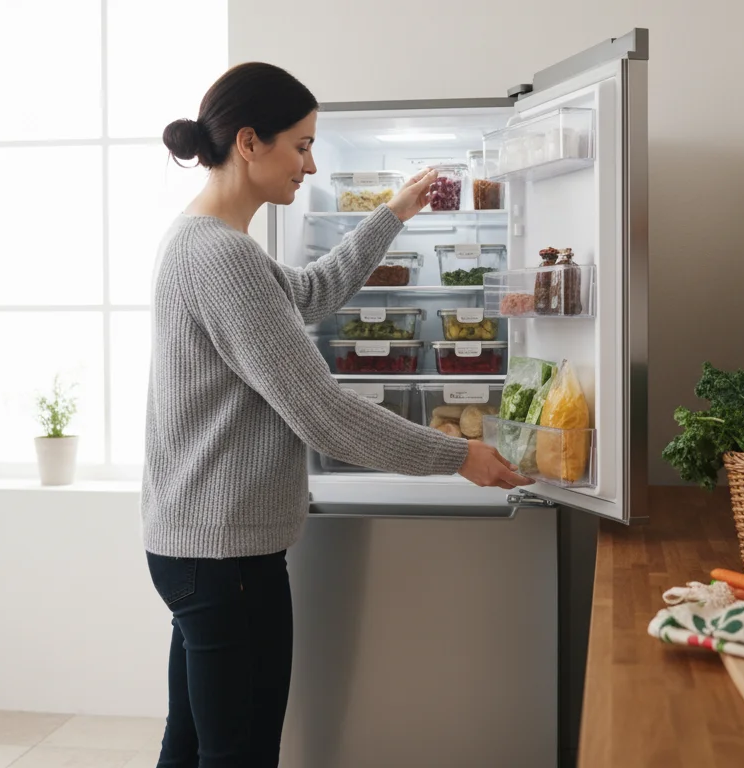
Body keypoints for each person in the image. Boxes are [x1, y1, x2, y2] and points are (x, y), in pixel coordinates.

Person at [142, 62, 530, 768]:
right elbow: (322, 413)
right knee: (240, 753)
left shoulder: (209, 243)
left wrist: (394, 213)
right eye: (301, 145)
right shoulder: (221, 257)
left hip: (200, 544)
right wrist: (459, 456)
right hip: (224, 553)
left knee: (196, 742)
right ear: (251, 142)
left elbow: (313, 292)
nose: (311, 164)